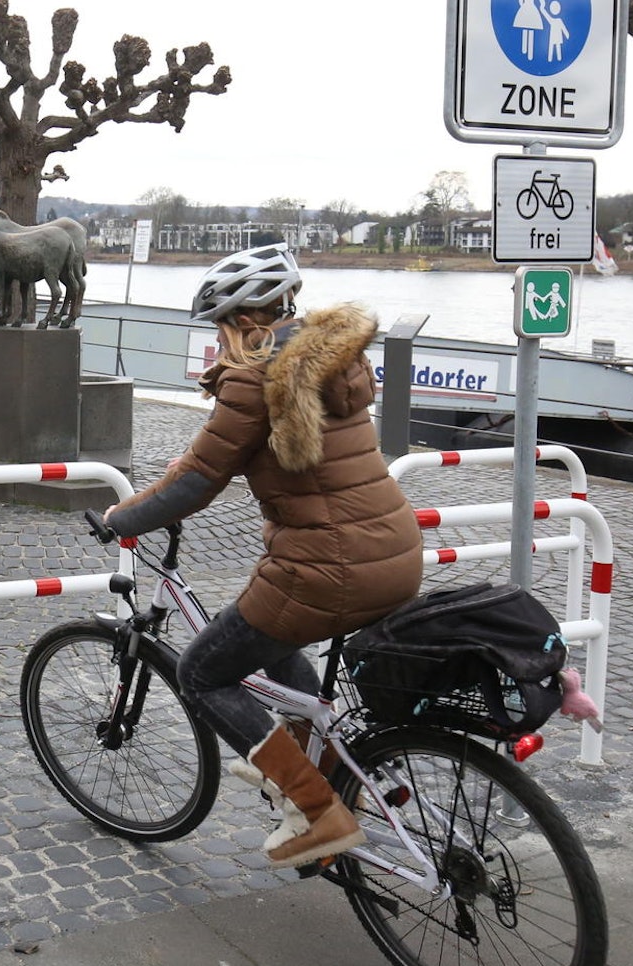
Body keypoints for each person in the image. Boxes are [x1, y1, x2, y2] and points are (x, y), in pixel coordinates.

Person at [103, 244, 423, 868]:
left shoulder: (255, 376)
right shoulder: (332, 359)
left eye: (220, 328)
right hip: (394, 553)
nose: (218, 342)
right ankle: (330, 777)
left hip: (327, 569)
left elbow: (197, 483)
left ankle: (317, 810)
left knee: (202, 672)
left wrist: (121, 518)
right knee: (272, 643)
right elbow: (269, 450)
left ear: (246, 322)